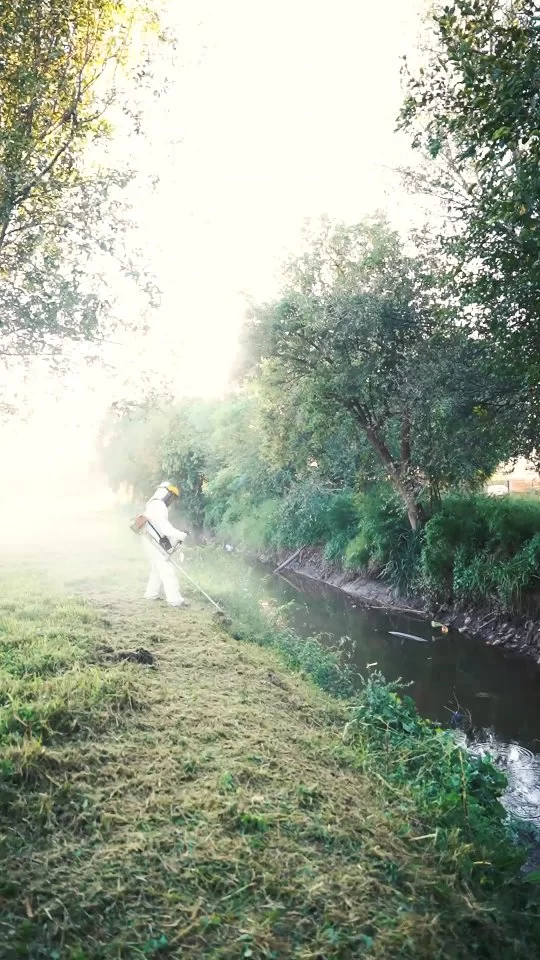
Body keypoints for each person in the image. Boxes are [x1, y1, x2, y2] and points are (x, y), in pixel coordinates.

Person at [142, 481, 189, 607]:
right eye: (171, 496)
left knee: (156, 569)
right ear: (165, 492)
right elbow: (165, 528)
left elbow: (161, 526)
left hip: (149, 539)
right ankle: (175, 600)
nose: (171, 500)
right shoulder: (159, 505)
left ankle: (151, 593)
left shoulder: (153, 503)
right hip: (154, 541)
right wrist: (180, 535)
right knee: (167, 570)